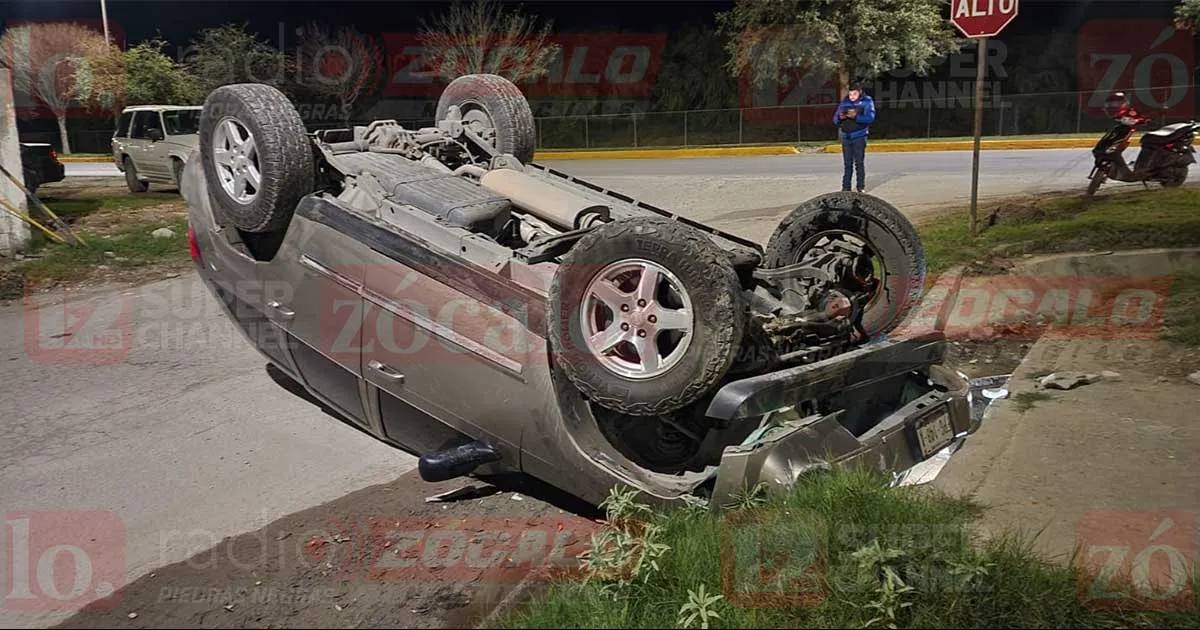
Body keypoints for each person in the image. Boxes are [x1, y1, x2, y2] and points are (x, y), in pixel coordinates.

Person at [832, 85, 876, 193]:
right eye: (850, 94)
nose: (852, 96)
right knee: (847, 164)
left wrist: (856, 116)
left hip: (859, 136)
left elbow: (870, 118)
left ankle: (860, 187)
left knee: (859, 163)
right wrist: (840, 117)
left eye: (854, 94)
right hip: (846, 137)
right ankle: (845, 187)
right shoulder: (844, 102)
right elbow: (835, 119)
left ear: (860, 92)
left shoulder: (867, 101)